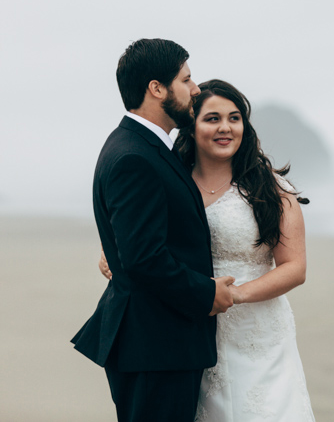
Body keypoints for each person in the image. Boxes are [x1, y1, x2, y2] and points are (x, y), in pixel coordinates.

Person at [99, 79, 315, 421]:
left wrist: (235, 296)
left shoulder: (272, 189)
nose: (225, 128)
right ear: (192, 124)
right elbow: (137, 234)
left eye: (234, 118)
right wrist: (111, 253)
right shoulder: (169, 179)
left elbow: (294, 267)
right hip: (186, 329)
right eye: (212, 118)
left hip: (256, 332)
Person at [72, 39, 236, 422]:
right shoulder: (134, 156)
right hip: (154, 346)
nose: (195, 89)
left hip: (158, 343)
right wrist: (206, 292)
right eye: (187, 79)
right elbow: (143, 258)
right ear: (156, 88)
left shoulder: (145, 147)